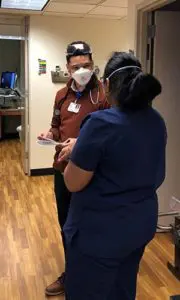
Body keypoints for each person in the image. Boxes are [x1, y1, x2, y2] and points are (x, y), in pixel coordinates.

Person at [62, 52, 167, 300]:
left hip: (99, 235)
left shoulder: (100, 123)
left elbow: (73, 182)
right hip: (139, 226)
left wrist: (74, 152)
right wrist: (83, 144)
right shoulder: (156, 120)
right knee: (122, 290)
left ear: (107, 84)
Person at [38, 41, 109, 296]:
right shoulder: (62, 95)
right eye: (76, 66)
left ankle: (93, 276)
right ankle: (72, 274)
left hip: (92, 174)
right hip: (63, 169)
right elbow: (57, 124)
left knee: (90, 227)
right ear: (68, 68)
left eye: (87, 65)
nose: (82, 70)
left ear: (93, 64)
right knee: (66, 225)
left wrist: (82, 142)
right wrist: (50, 134)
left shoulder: (103, 95)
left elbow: (112, 134)